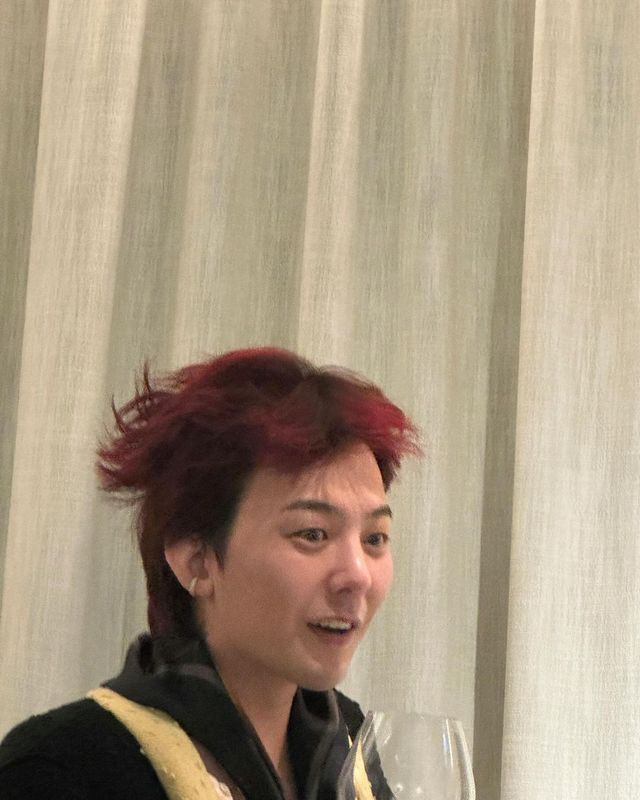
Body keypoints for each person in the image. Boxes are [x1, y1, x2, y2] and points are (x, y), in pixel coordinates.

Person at [0, 347, 419, 799]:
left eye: (375, 538)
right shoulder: (60, 769)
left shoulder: (349, 746)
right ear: (194, 559)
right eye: (312, 534)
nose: (357, 576)